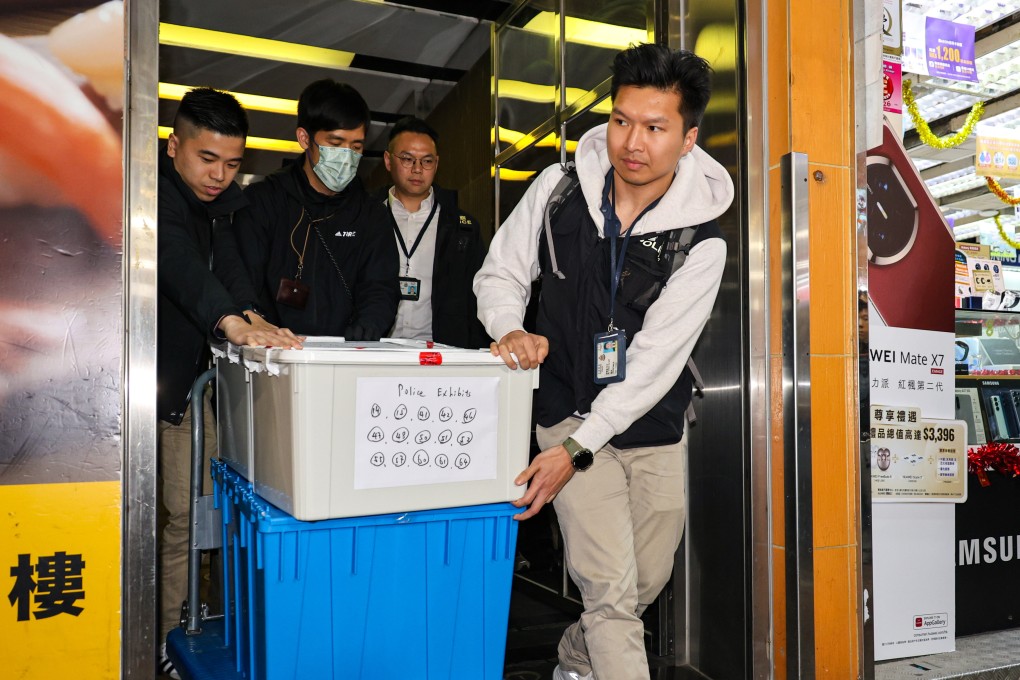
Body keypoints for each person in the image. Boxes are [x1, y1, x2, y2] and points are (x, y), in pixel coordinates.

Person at [473, 44, 733, 680]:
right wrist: (511, 329)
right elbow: (500, 272)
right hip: (563, 410)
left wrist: (579, 449)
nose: (631, 142)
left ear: (689, 137)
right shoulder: (561, 190)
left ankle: (574, 658)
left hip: (649, 424)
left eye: (654, 127)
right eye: (622, 120)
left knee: (646, 579)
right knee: (611, 597)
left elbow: (650, 366)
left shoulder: (702, 240)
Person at [157, 87, 301, 677]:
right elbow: (180, 266)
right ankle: (165, 636)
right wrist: (231, 322)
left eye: (234, 163)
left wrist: (255, 315)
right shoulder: (152, 197)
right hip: (158, 385)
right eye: (206, 159)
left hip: (201, 384)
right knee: (181, 516)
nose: (219, 175)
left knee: (201, 511)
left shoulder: (221, 206)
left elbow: (234, 267)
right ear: (174, 147)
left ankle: (190, 621)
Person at [234, 79, 398, 339]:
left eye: (356, 146)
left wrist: (360, 337)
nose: (346, 155)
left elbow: (380, 289)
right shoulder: (264, 202)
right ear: (304, 138)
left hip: (344, 357)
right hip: (274, 353)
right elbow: (243, 278)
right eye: (335, 143)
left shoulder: (371, 215)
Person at [382, 116, 488, 347]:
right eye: (408, 159)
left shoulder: (463, 228)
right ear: (388, 161)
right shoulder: (367, 217)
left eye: (427, 161)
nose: (417, 169)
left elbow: (479, 296)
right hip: (376, 348)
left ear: (436, 164)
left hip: (440, 353)